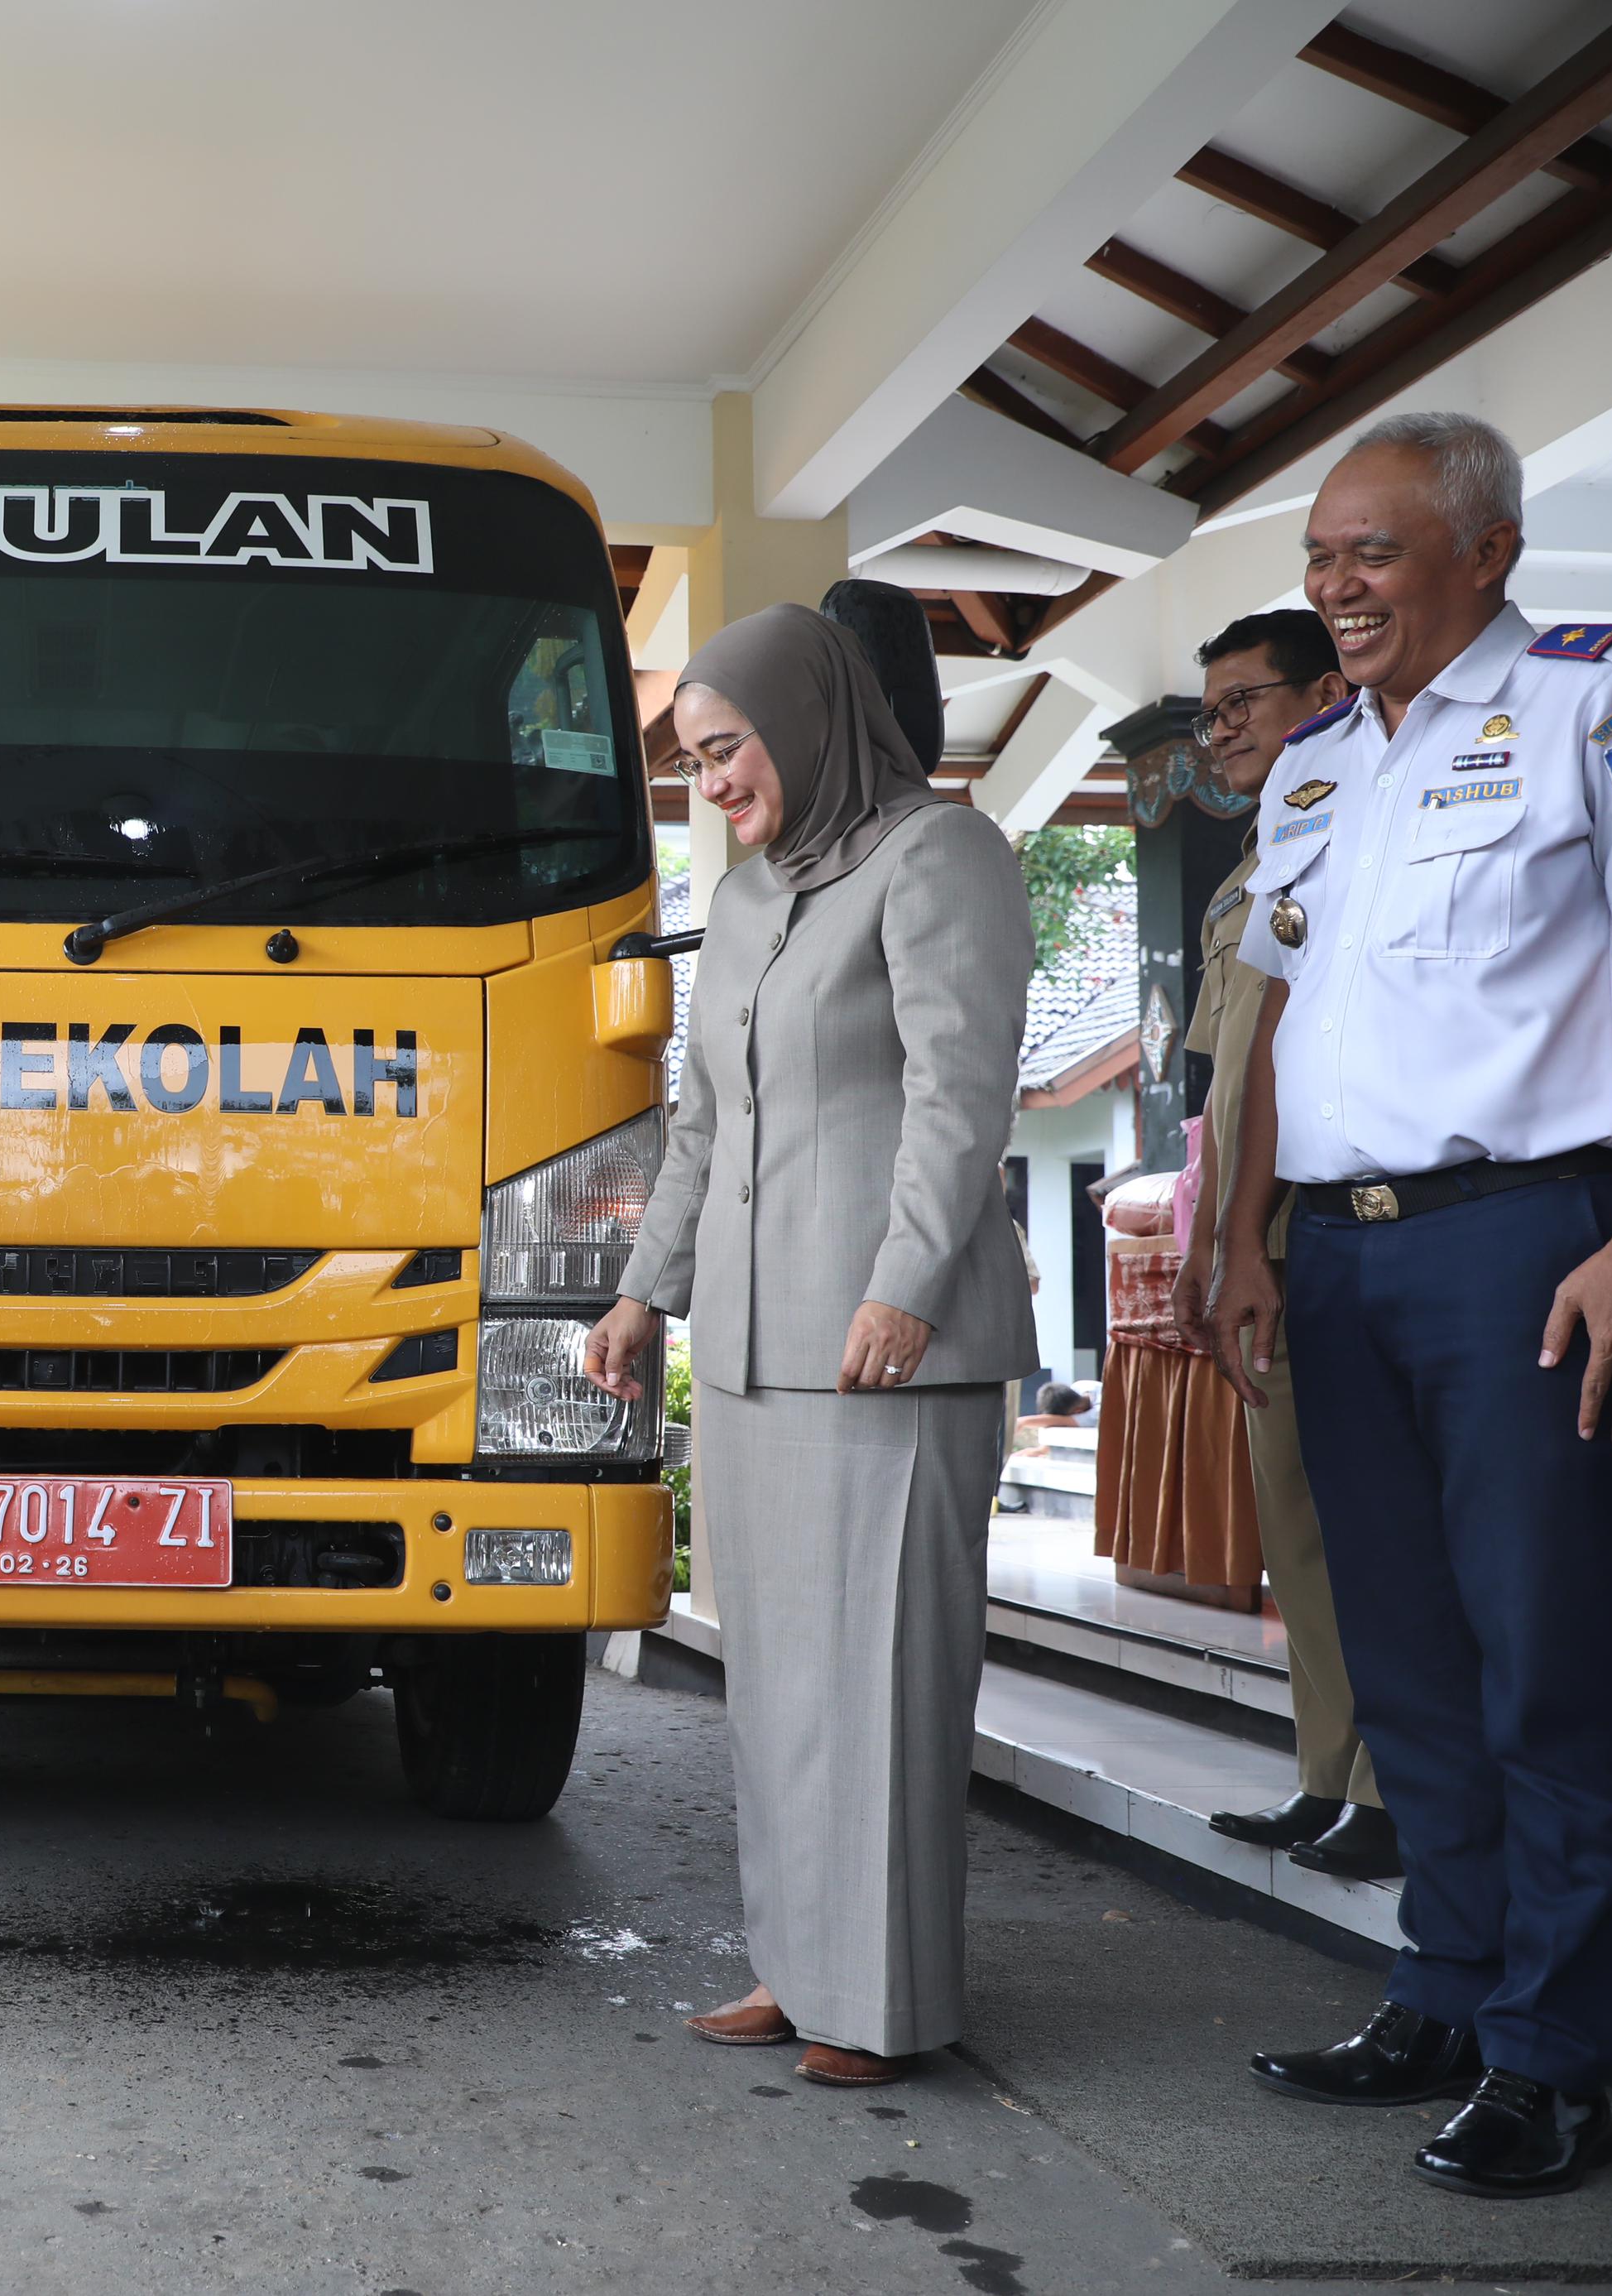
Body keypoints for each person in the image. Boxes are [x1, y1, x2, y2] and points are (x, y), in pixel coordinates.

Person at [1208, 411, 1612, 2198]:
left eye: (1368, 551)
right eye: (1318, 558)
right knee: (1406, 1657)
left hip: (1527, 1237)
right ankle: (1440, 1987)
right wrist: (1242, 1232)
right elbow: (1274, 1025)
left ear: (1484, 550)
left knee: (1542, 1655)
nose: (1331, 587)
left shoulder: (1606, 696)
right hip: (1341, 1253)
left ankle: (1549, 2050)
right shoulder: (1310, 770)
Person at [584, 603, 1035, 2089]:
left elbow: (960, 1097)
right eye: (698, 761)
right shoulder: (756, 898)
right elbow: (702, 1127)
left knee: (885, 1680)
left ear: (813, 716)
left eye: (729, 749)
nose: (713, 782)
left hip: (888, 1341)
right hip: (757, 1351)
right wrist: (647, 1292)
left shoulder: (937, 855)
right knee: (778, 1676)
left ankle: (887, 2001)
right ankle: (798, 1964)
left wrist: (904, 1283)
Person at [1168, 609, 1395, 1882]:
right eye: (1213, 711)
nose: (1225, 729)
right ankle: (1329, 1773)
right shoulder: (1265, 851)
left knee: (1361, 1517)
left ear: (1324, 689)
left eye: (1244, 701)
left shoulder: (1364, 829)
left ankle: (1390, 1784)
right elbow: (1225, 1084)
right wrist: (1216, 1238)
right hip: (1262, 1231)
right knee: (1292, 1516)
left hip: (1346, 1216)